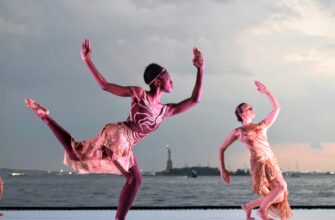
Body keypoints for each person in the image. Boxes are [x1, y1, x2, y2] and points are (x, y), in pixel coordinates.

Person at [25, 39, 204, 220]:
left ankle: (45, 116)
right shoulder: (139, 94)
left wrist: (200, 69)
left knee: (77, 155)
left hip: (127, 144)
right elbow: (106, 86)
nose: (172, 81)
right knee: (130, 177)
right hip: (118, 134)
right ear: (157, 81)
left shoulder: (166, 110)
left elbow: (195, 99)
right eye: (168, 78)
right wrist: (87, 61)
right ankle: (46, 118)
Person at [218, 81, 292, 220]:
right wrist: (223, 169)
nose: (252, 109)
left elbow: (277, 108)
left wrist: (267, 92)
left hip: (271, 161)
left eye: (251, 107)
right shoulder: (238, 131)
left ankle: (249, 206)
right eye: (248, 108)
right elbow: (222, 148)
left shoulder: (262, 125)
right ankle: (261, 211)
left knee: (280, 196)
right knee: (281, 187)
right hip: (259, 164)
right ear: (241, 113)